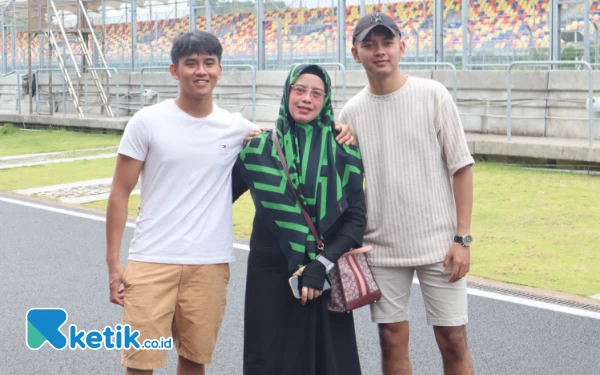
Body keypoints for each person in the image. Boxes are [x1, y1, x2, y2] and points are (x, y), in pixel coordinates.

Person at [106, 32, 355, 374]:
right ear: (174, 70)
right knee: (140, 364)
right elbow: (119, 192)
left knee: (194, 360)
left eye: (209, 63)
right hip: (152, 259)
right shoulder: (146, 121)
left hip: (209, 263)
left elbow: (282, 142)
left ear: (220, 69)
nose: (200, 71)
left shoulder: (238, 128)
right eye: (190, 63)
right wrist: (113, 263)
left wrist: (339, 131)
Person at [338, 13, 475, 375]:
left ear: (402, 46)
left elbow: (461, 166)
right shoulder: (351, 113)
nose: (379, 51)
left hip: (440, 244)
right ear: (355, 53)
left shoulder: (433, 94)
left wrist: (463, 238)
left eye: (386, 42)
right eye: (369, 44)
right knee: (391, 341)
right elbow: (346, 184)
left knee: (454, 339)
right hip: (381, 247)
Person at [232, 64, 366, 375]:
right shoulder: (258, 150)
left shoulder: (341, 149)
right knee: (271, 357)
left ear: (326, 100)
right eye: (299, 90)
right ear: (287, 93)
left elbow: (356, 220)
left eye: (316, 93)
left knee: (328, 360)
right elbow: (216, 198)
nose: (306, 98)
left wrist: (322, 264)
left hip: (324, 271)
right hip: (271, 274)